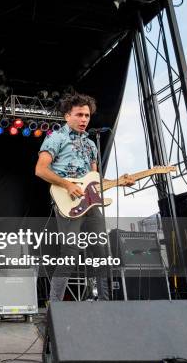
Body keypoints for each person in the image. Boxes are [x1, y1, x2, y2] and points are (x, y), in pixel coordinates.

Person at [35, 92, 134, 302]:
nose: (84, 120)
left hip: (90, 204)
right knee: (69, 252)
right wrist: (67, 184)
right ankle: (55, 306)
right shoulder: (56, 138)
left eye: (87, 116)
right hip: (67, 202)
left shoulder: (91, 145)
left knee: (101, 250)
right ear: (67, 116)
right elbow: (41, 170)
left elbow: (94, 182)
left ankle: (105, 301)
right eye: (79, 114)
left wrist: (120, 181)